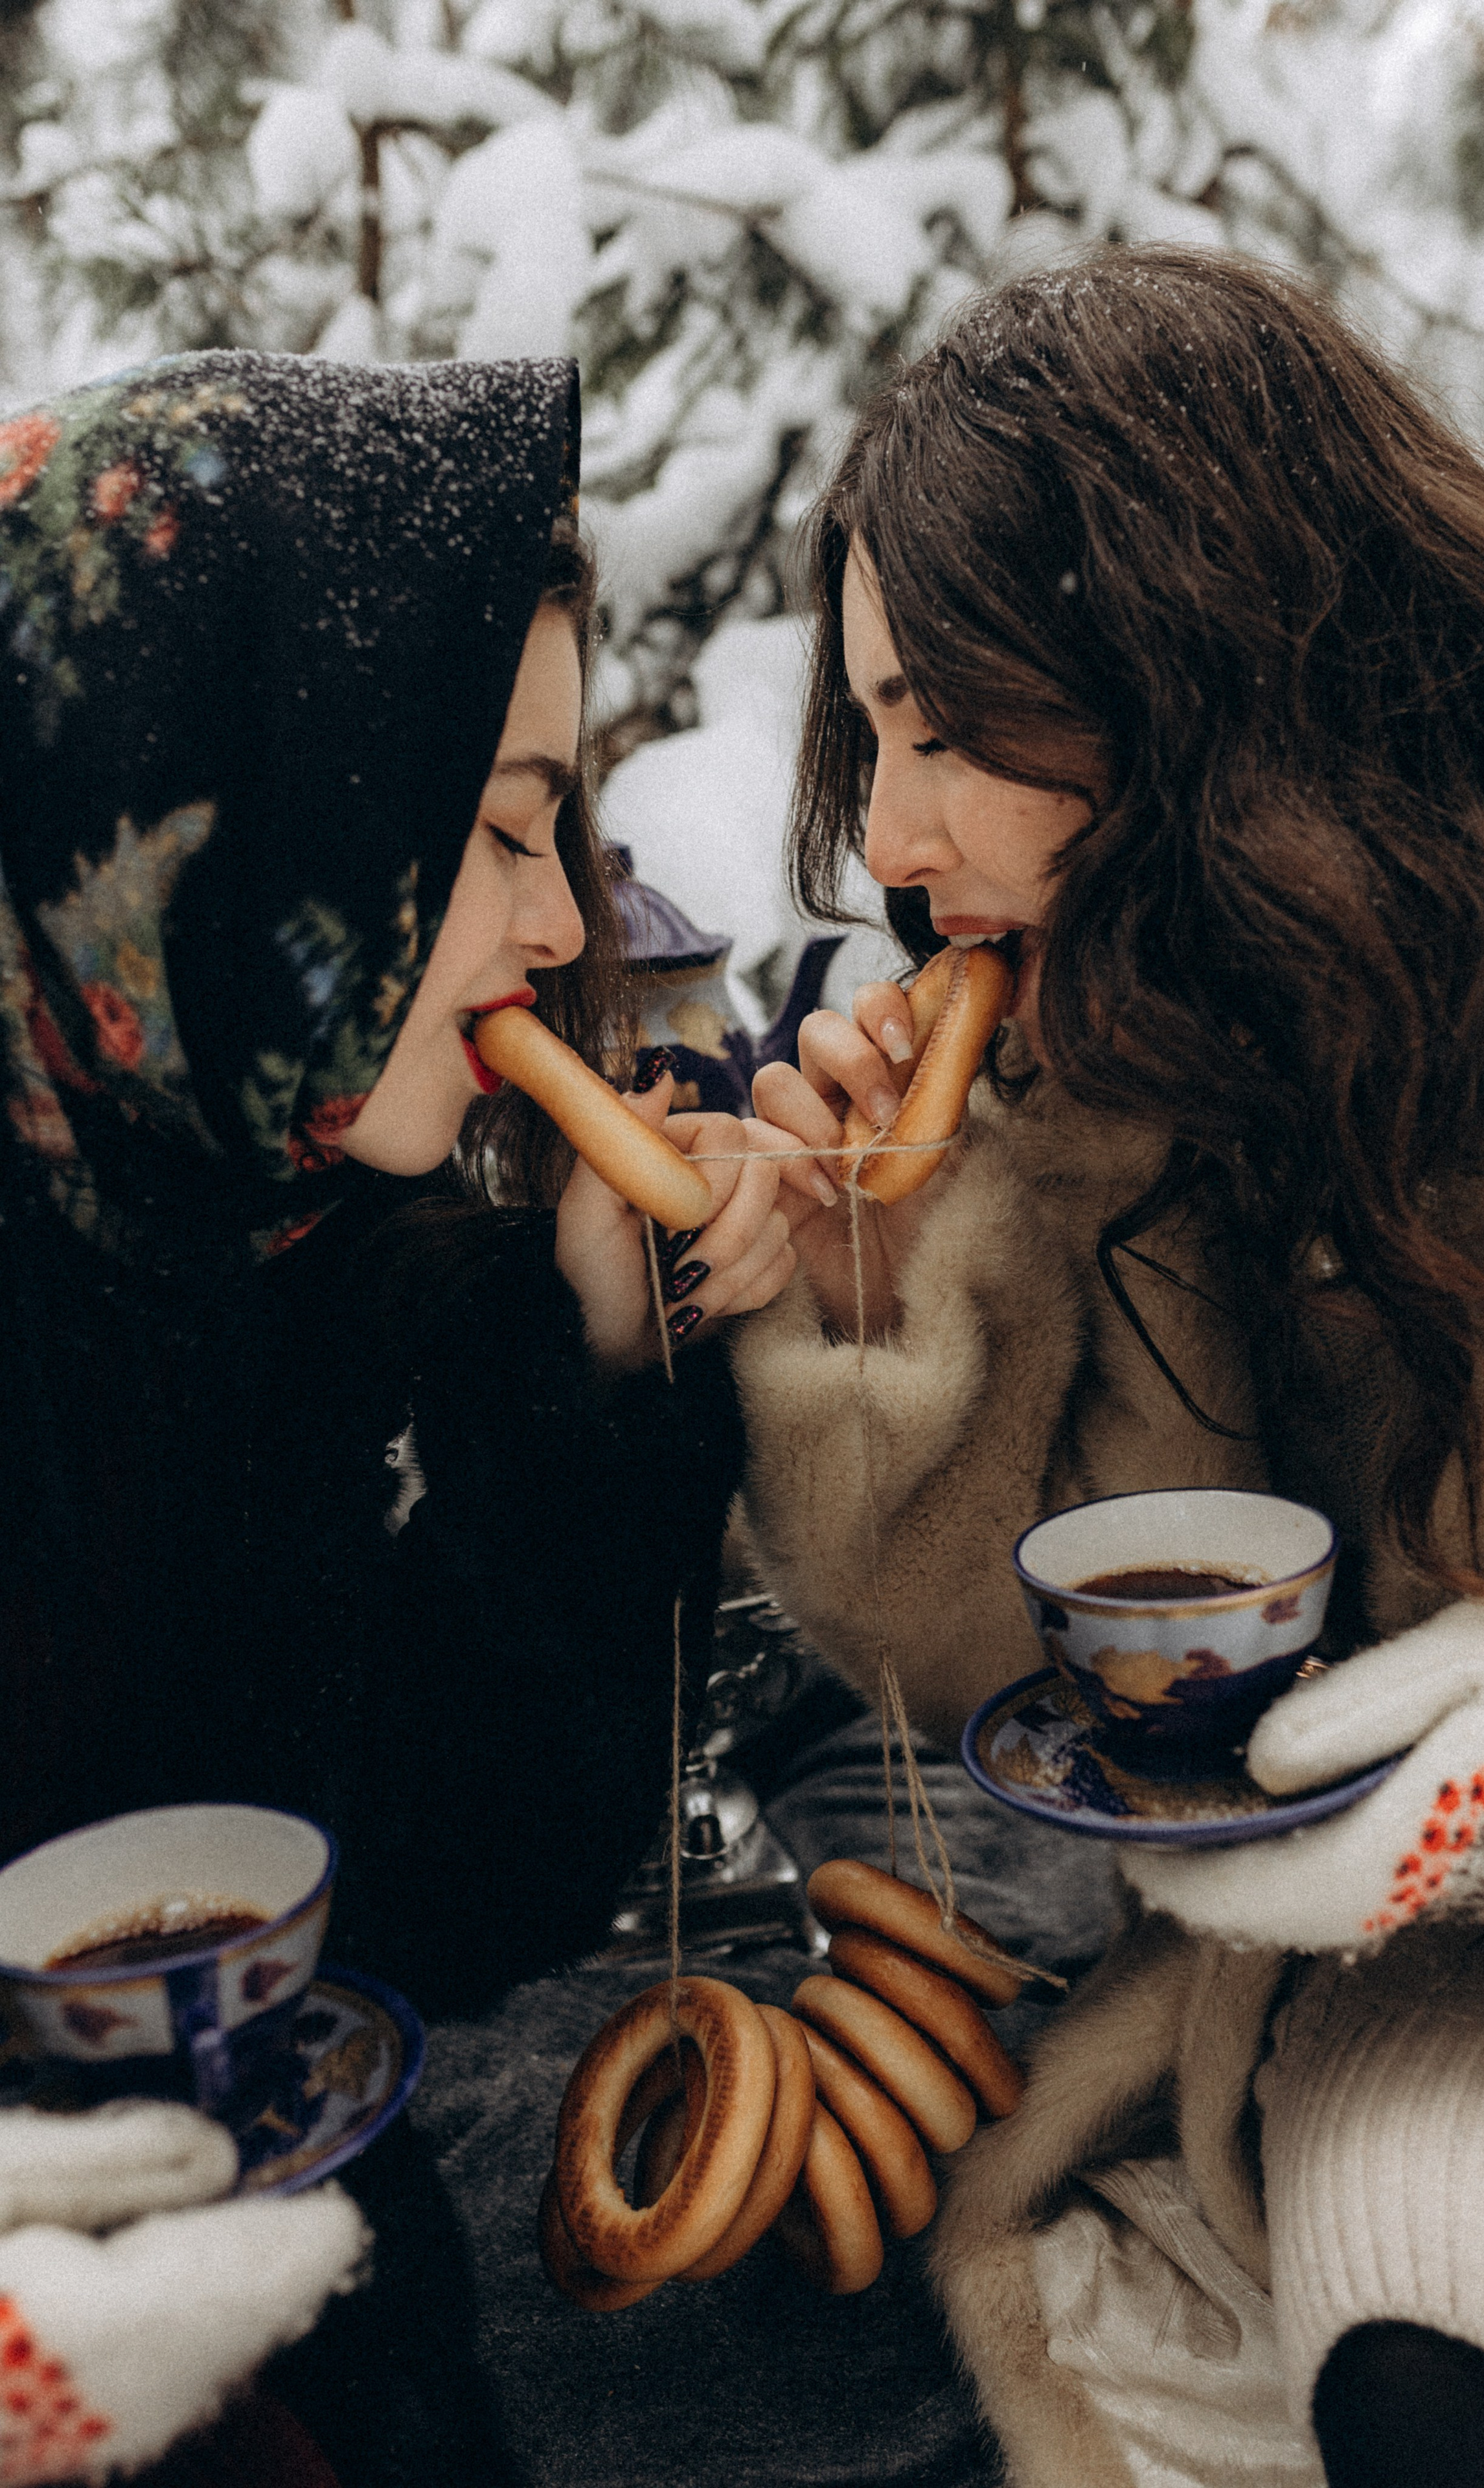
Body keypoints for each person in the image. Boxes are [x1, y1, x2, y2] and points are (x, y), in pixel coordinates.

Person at [736, 246, 1484, 2485]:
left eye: (953, 731)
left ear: (1206, 680)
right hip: (1451, 2000)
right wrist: (900, 1284)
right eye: (877, 738)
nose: (890, 836)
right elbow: (1004, 1665)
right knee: (1437, 2356)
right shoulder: (1148, 1095)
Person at [0, 347, 795, 2480]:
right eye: (508, 827)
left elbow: (438, 1907)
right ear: (251, 793)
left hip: (318, 2336)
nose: (557, 922)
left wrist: (606, 1381)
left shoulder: (274, 1241)